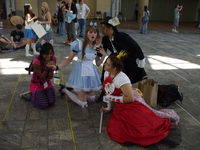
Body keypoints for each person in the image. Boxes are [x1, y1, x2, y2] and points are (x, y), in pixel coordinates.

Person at [101, 54, 180, 146]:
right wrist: (108, 107)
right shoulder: (107, 73)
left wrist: (111, 98)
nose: (104, 65)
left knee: (141, 127)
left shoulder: (122, 79)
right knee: (116, 128)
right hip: (119, 106)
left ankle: (165, 124)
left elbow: (130, 98)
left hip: (130, 104)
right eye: (105, 63)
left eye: (107, 64)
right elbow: (108, 92)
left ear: (114, 68)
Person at [52, 26, 106, 107]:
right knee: (83, 103)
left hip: (91, 72)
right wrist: (57, 67)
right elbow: (69, 59)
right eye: (90, 32)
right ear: (86, 33)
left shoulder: (97, 47)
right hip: (80, 72)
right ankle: (65, 90)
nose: (93, 34)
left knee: (92, 98)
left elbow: (98, 63)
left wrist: (104, 55)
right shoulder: (79, 44)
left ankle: (78, 91)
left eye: (95, 32)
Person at [101, 17, 147, 84]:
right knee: (107, 67)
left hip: (127, 57)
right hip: (115, 57)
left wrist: (141, 58)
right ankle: (105, 87)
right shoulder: (105, 39)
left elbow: (136, 47)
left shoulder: (122, 36)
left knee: (127, 74)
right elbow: (102, 51)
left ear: (111, 28)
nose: (102, 30)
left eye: (104, 28)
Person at [30, 43, 56, 109]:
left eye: (50, 53)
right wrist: (47, 68)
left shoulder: (53, 59)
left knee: (52, 102)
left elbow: (50, 77)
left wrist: (51, 69)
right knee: (44, 104)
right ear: (42, 53)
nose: (49, 56)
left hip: (46, 82)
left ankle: (42, 93)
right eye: (46, 54)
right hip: (37, 83)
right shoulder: (36, 61)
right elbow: (41, 77)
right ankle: (33, 95)